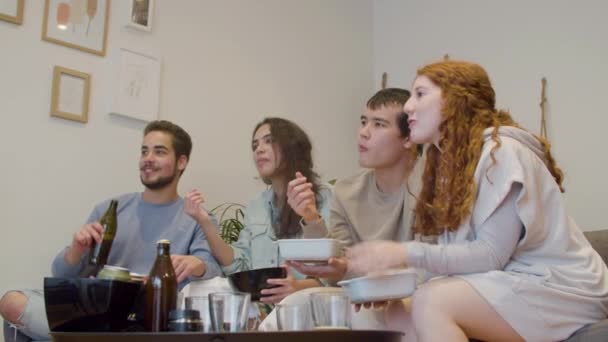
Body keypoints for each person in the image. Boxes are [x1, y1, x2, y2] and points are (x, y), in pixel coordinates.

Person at [347, 60, 608, 342]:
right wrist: (390, 285)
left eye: (420, 94)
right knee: (394, 312)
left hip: (561, 288)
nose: (409, 106)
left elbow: (490, 254)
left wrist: (403, 253)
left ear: (454, 102)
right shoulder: (451, 164)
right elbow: (457, 254)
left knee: (432, 300)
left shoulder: (502, 152)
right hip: (510, 280)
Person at [0, 120, 222, 341]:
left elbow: (213, 269)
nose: (148, 159)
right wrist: (77, 249)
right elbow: (62, 275)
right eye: (144, 151)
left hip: (148, 317)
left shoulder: (196, 217)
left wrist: (198, 264)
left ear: (181, 162)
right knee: (12, 302)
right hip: (94, 309)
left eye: (159, 152)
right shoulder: (111, 209)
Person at [184, 117, 333, 304]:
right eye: (255, 145)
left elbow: (335, 271)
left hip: (310, 308)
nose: (259, 150)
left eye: (269, 141)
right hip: (265, 313)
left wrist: (297, 288)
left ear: (292, 147)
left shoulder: (325, 196)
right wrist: (204, 222)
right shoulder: (256, 205)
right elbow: (238, 265)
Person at [287, 88, 422, 285]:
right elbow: (337, 269)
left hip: (418, 299)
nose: (363, 133)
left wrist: (349, 269)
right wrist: (310, 216)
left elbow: (429, 270)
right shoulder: (346, 191)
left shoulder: (430, 186)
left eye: (379, 124)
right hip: (361, 300)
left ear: (409, 138)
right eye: (363, 122)